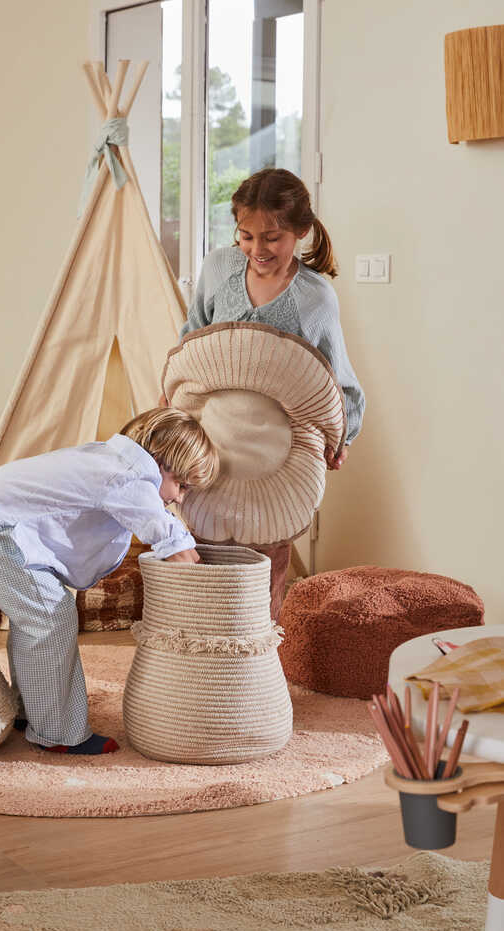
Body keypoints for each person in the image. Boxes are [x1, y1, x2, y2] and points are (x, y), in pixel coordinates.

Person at [0, 408, 219, 755]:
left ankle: (31, 710)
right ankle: (58, 733)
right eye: (181, 485)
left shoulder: (110, 461)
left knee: (36, 617)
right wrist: (213, 591)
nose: (179, 498)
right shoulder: (128, 477)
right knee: (51, 617)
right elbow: (173, 544)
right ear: (161, 461)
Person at [161, 167, 365, 618]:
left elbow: (336, 377)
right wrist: (169, 399)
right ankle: (203, 641)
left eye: (272, 238)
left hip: (276, 448)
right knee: (202, 536)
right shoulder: (219, 268)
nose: (258, 249)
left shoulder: (314, 297)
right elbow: (193, 337)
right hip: (212, 437)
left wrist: (342, 437)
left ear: (301, 232)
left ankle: (260, 645)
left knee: (266, 550)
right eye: (246, 236)